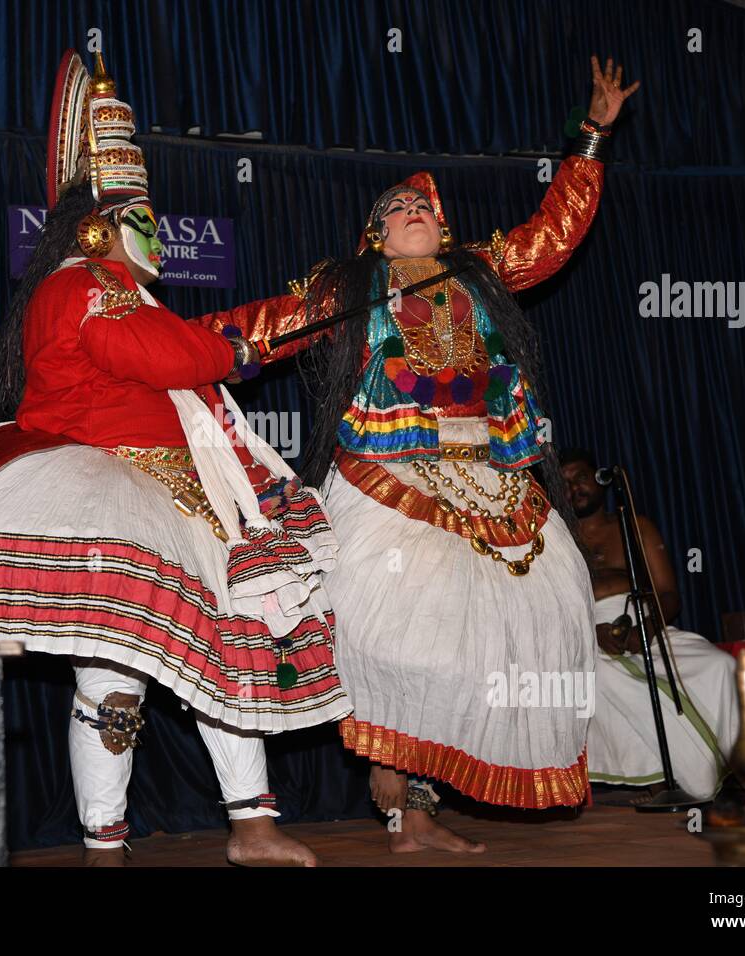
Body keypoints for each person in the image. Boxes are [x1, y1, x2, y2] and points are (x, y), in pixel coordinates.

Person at [0, 50, 349, 866]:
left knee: (213, 656)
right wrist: (257, 338)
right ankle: (111, 844)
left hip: (173, 496)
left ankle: (240, 826)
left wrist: (294, 317)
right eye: (141, 216)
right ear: (98, 224)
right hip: (121, 494)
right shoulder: (87, 287)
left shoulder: (101, 290)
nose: (156, 230)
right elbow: (175, 356)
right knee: (132, 679)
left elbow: (190, 341)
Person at [198, 56, 639, 853]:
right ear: (376, 233)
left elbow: (554, 235)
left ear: (444, 228)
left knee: (534, 613)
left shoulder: (482, 272)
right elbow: (255, 327)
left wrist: (594, 136)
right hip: (388, 479)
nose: (411, 210)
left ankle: (417, 815)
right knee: (395, 636)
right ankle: (396, 801)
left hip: (496, 482)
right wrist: (155, 349)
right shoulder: (349, 288)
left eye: (423, 208)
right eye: (395, 207)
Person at [559, 449, 737, 802]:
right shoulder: (557, 540)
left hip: (644, 624)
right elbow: (549, 607)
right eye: (563, 483)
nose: (574, 488)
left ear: (600, 479)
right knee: (614, 679)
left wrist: (646, 630)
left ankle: (739, 769)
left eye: (580, 477)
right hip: (584, 634)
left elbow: (668, 594)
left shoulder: (634, 526)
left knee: (721, 665)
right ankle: (678, 780)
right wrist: (589, 632)